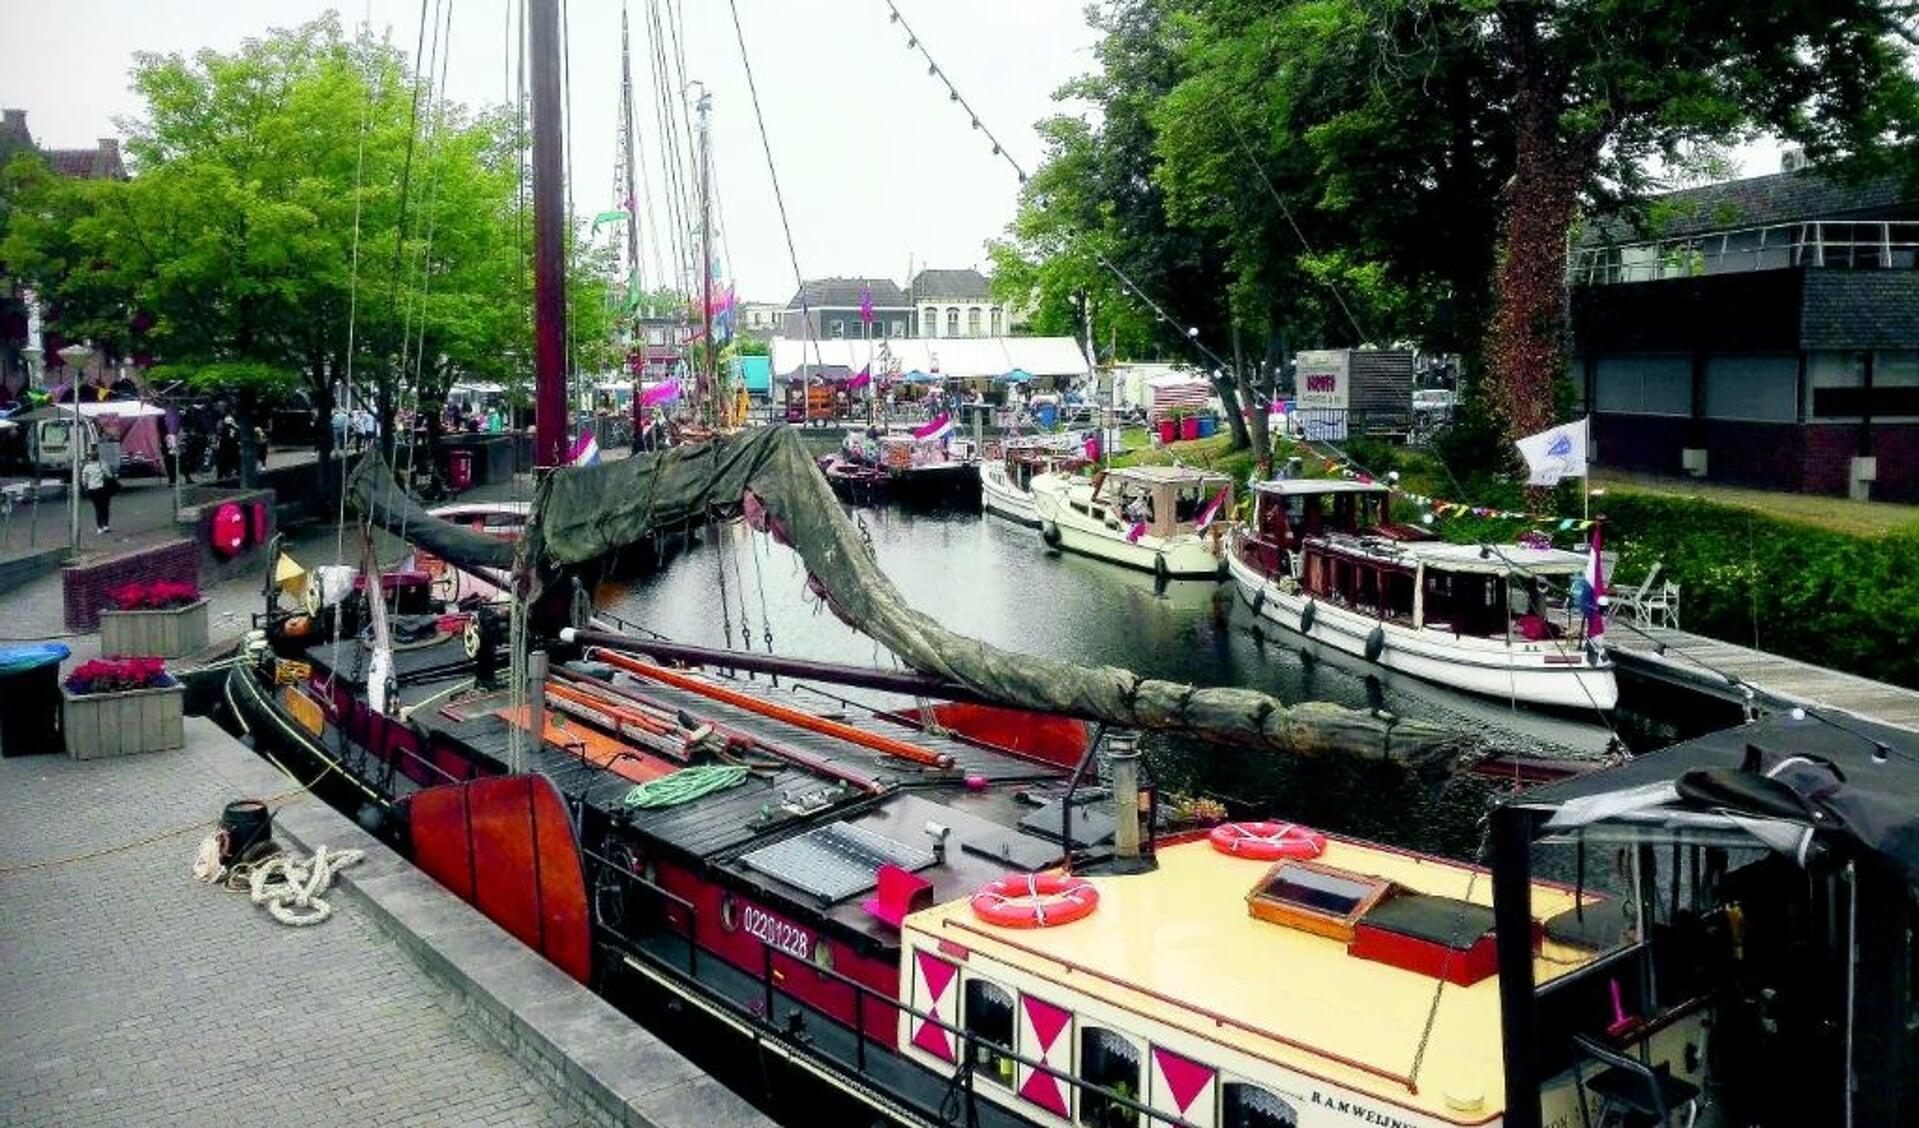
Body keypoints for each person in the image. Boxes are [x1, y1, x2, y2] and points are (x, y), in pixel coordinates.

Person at [81, 451, 117, 535]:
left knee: (97, 508)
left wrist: (85, 486)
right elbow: (109, 476)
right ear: (98, 457)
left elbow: (84, 480)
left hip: (92, 489)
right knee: (105, 507)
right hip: (102, 489)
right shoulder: (102, 465)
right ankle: (106, 525)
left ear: (90, 458)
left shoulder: (87, 467)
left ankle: (99, 527)